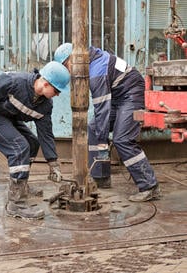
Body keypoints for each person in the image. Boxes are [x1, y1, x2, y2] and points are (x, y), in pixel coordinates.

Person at [54, 43, 161, 202]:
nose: (68, 71)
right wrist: (100, 137)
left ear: (73, 59)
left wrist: (103, 142)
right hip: (118, 96)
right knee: (93, 127)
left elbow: (102, 110)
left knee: (122, 139)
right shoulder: (91, 59)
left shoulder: (97, 71)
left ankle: (149, 186)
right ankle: (100, 176)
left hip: (131, 94)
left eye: (66, 66)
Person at [0, 61, 70, 219]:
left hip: (8, 117)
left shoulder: (45, 106)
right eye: (56, 91)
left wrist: (53, 163)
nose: (57, 95)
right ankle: (16, 204)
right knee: (19, 148)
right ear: (46, 84)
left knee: (32, 143)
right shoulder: (13, 82)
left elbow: (45, 134)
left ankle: (21, 186)